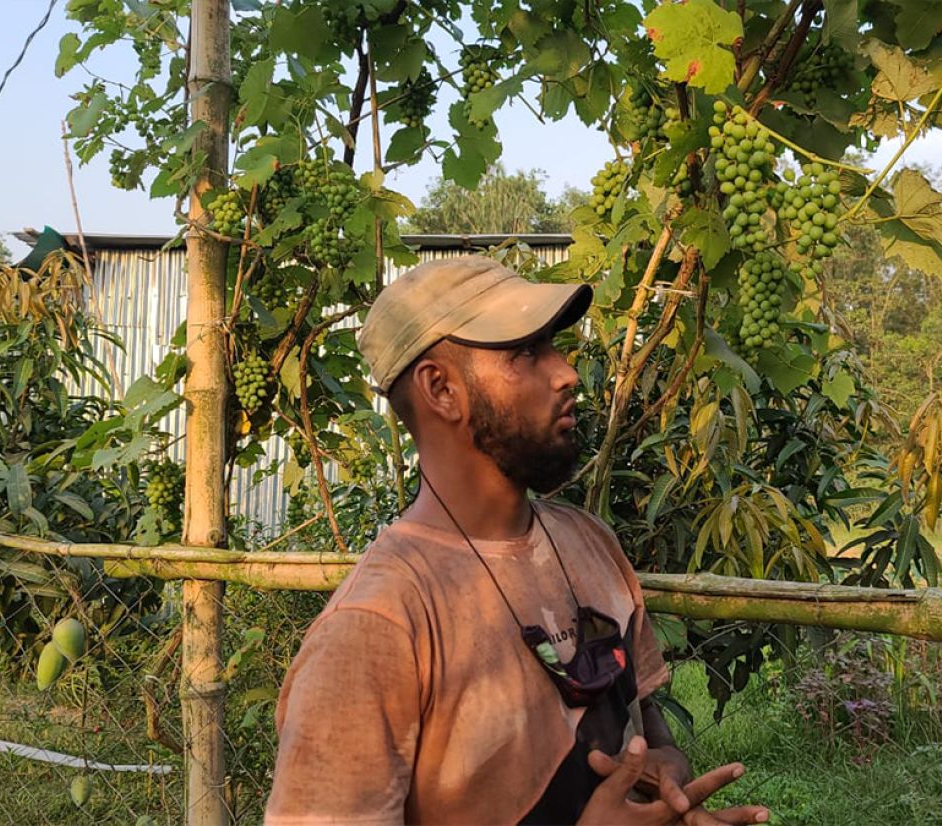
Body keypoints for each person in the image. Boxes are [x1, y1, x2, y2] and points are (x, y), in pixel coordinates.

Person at [264, 256, 768, 825]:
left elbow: (644, 723)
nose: (567, 373)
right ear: (441, 389)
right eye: (526, 352)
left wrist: (666, 783)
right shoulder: (377, 623)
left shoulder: (590, 544)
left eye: (553, 345)